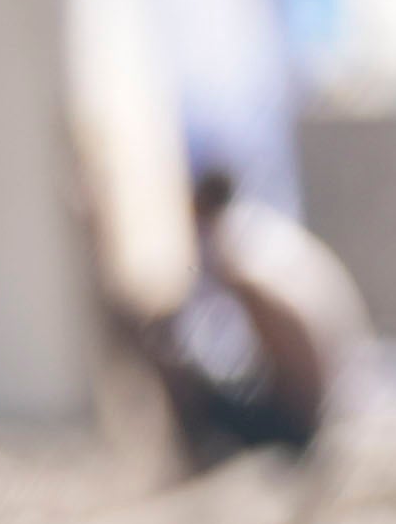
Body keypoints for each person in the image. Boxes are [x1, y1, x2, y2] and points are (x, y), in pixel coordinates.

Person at [158, 162, 369, 468]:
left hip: (308, 417)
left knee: (180, 375)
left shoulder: (236, 253)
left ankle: (196, 467)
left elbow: (289, 346)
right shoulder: (262, 232)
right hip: (340, 396)